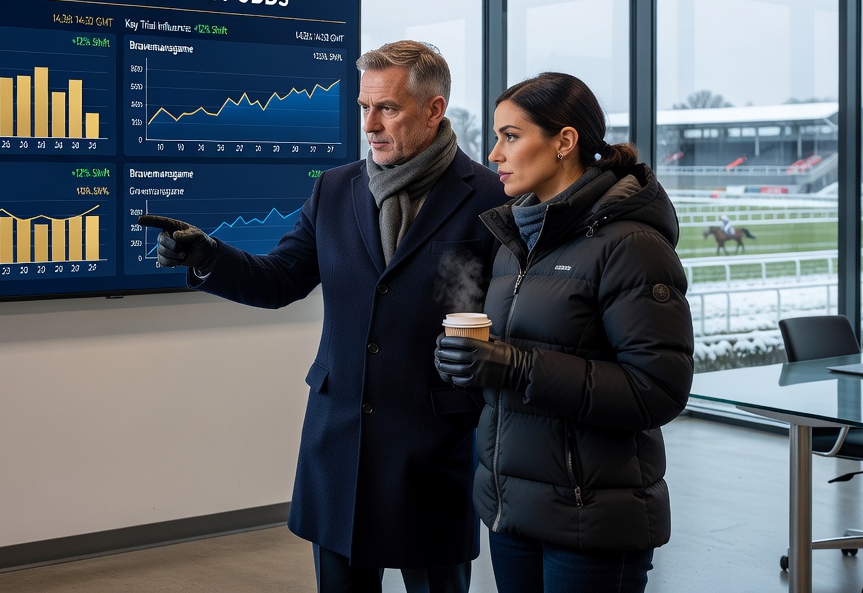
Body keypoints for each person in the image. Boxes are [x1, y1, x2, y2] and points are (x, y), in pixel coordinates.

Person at [139, 40, 506, 593]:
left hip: (434, 445)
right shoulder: (335, 189)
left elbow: (507, 312)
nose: (370, 124)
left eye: (388, 108)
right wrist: (208, 256)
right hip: (340, 445)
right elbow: (281, 278)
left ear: (435, 109)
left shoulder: (490, 197)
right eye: (364, 107)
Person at [434, 72, 694, 593]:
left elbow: (658, 390)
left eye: (511, 136)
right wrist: (474, 367)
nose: (494, 154)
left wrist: (517, 367)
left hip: (591, 519)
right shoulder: (515, 243)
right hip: (511, 510)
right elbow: (516, 369)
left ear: (564, 141)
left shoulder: (631, 247)